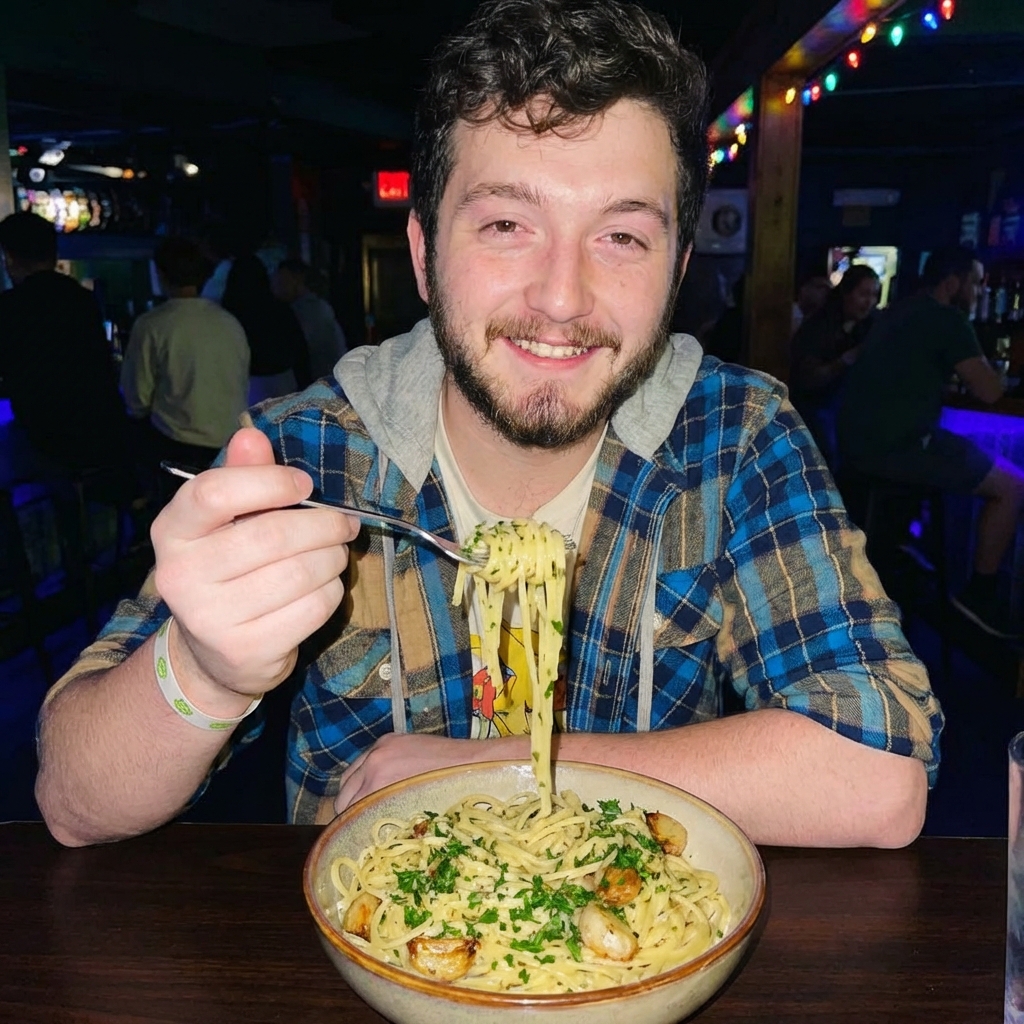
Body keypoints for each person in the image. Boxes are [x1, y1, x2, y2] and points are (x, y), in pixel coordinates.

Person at [36, 0, 941, 851]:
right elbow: (75, 803)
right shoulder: (307, 451)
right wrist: (205, 668)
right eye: (508, 223)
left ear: (676, 269)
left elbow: (881, 771)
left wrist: (496, 767)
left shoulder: (737, 435)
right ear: (426, 256)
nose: (561, 298)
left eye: (622, 237)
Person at [839, 246, 1024, 639]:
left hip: (857, 449)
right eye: (975, 282)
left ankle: (906, 554)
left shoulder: (895, 313)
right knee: (1013, 485)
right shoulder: (947, 319)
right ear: (953, 281)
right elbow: (990, 391)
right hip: (899, 448)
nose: (977, 292)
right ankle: (980, 594)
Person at [0, 212, 131, 484]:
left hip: (43, 438)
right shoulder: (83, 299)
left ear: (9, 258)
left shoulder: (10, 307)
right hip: (101, 431)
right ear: (54, 252)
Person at [120, 237, 250, 473]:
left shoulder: (152, 324)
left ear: (160, 274)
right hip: (232, 441)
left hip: (178, 445)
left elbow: (136, 399)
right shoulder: (229, 322)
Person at [789, 264, 881, 469]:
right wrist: (844, 361)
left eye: (874, 295)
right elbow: (807, 379)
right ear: (846, 293)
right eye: (863, 294)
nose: (870, 302)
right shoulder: (819, 327)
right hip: (815, 408)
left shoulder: (873, 325)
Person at [222, 254, 311, 404]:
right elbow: (300, 351)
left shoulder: (228, 316)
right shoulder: (281, 310)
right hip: (283, 383)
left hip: (245, 386)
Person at [272, 258, 348, 379]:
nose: (276, 287)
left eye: (282, 281)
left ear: (297, 279)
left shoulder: (311, 310)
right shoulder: (311, 307)